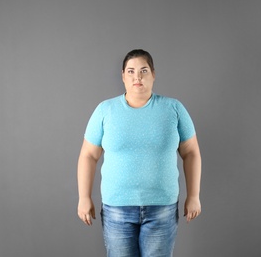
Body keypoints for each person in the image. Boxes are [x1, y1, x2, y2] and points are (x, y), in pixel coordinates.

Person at [77, 49, 202, 257]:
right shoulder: (104, 111)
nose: (137, 77)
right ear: (123, 76)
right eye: (131, 71)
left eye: (143, 70)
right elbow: (88, 155)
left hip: (162, 208)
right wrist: (84, 197)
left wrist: (194, 195)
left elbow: (191, 152)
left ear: (153, 74)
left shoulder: (174, 109)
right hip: (117, 209)